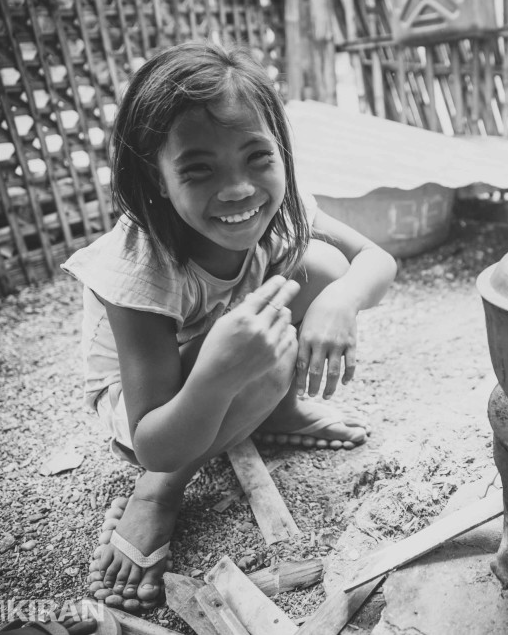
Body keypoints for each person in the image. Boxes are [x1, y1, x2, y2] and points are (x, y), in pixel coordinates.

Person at [61, 41, 397, 612]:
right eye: (199, 169)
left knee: (325, 267)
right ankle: (159, 497)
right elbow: (152, 441)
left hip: (224, 343)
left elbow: (377, 263)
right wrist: (216, 378)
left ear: (280, 152)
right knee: (264, 362)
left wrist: (338, 300)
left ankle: (278, 411)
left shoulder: (283, 200)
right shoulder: (140, 266)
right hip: (145, 408)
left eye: (257, 158)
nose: (239, 188)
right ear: (157, 179)